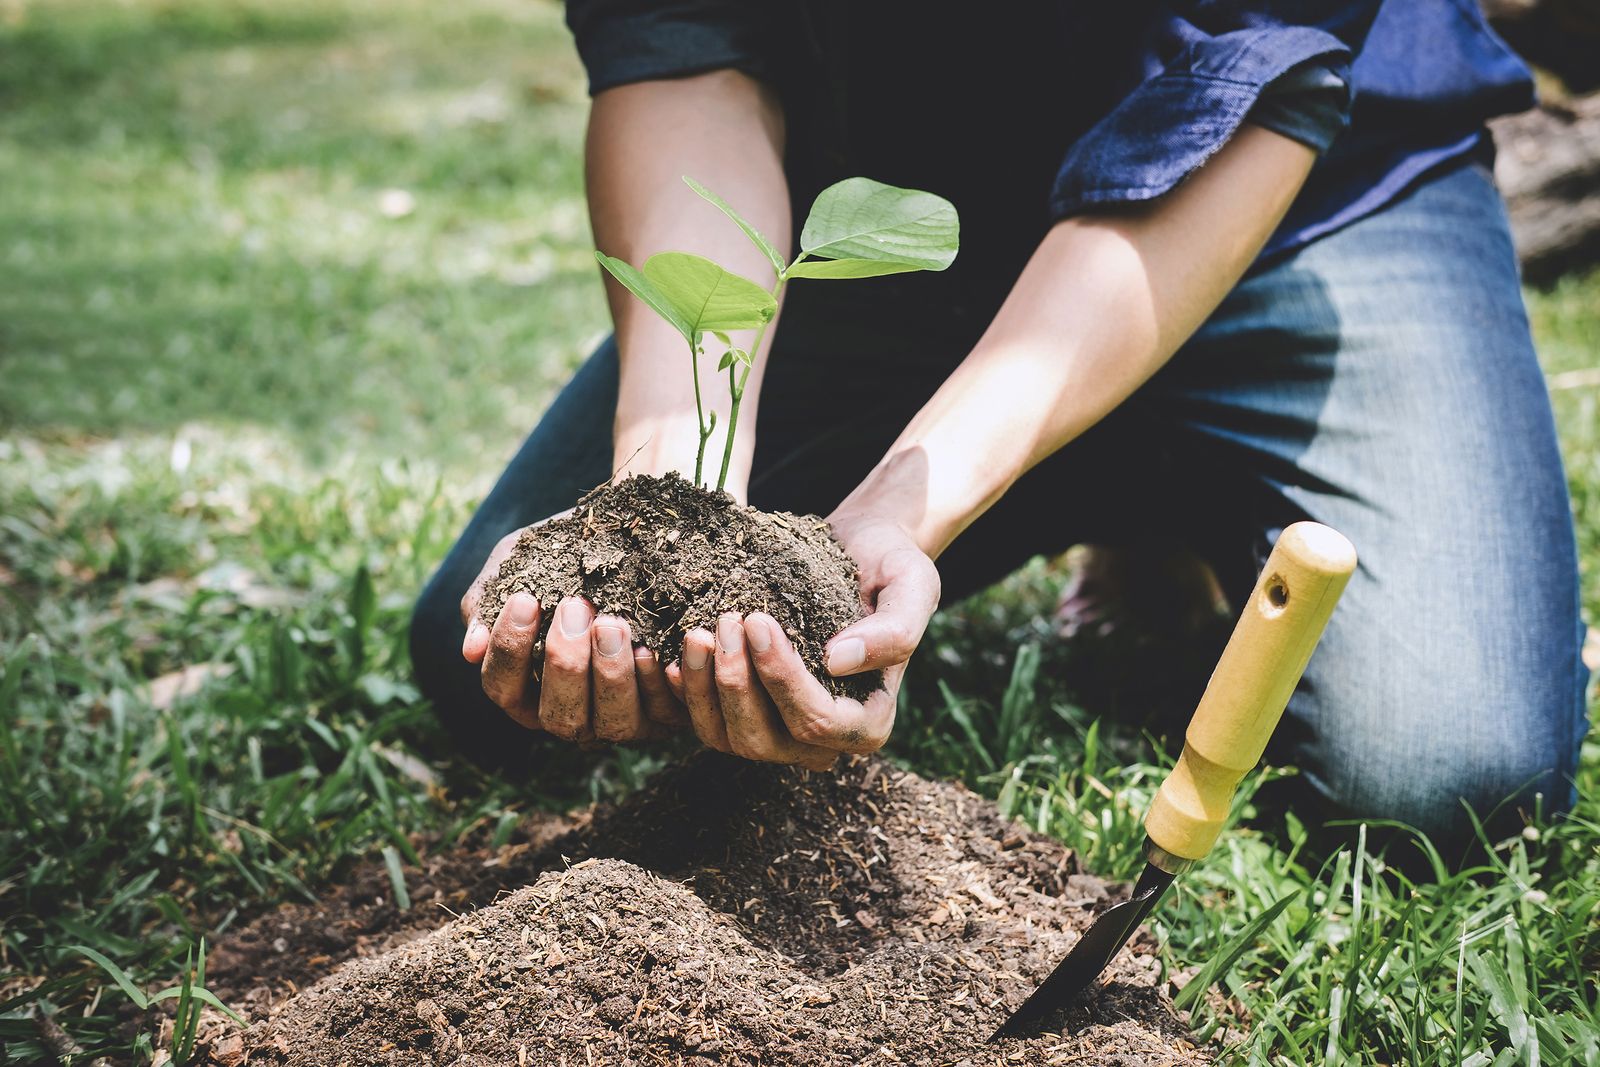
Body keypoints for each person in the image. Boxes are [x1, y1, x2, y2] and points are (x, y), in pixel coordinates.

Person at [409, 3, 1591, 844]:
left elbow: (1243, 78)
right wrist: (666, 503)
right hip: (897, 212)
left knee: (1446, 774)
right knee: (491, 661)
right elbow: (686, 52)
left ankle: (1143, 483)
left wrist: (911, 501)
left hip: (1306, 200)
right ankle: (1112, 472)